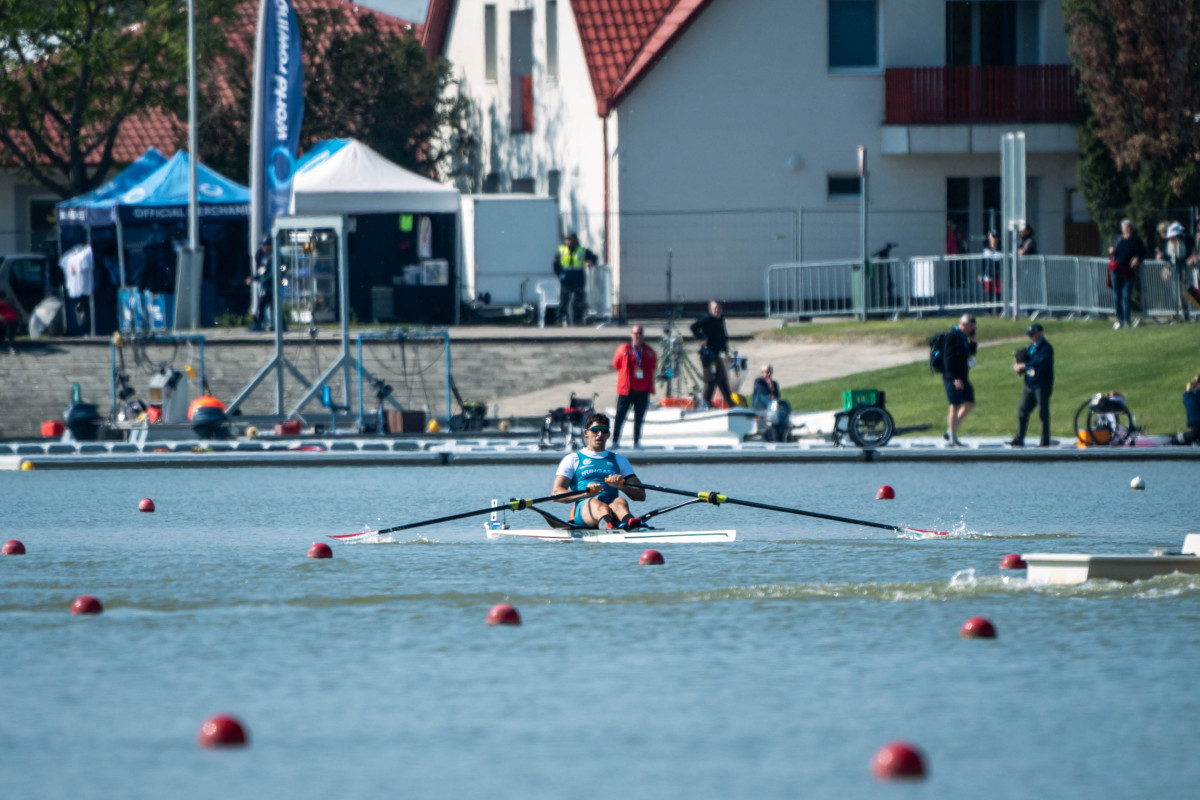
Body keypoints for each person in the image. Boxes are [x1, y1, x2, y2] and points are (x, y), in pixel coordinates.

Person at [552, 412, 646, 529]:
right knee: (597, 505)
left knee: (620, 501)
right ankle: (610, 526)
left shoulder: (619, 459)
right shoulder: (573, 459)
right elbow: (556, 493)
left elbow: (641, 495)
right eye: (595, 430)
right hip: (585, 508)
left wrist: (621, 486)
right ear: (586, 433)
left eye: (604, 430)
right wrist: (585, 493)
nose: (600, 434)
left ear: (608, 434)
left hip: (612, 507)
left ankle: (631, 524)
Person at [1008, 322, 1055, 447]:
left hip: (1042, 385)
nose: (1030, 337)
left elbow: (1040, 362)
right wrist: (1019, 365)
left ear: (1040, 333)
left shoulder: (1046, 348)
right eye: (1029, 334)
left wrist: (1024, 365)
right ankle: (1019, 438)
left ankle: (1045, 440)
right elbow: (1027, 361)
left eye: (1032, 334)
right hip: (1030, 385)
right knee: (1022, 410)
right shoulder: (1031, 348)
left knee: (1043, 413)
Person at [611, 324, 657, 449]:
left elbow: (653, 366)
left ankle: (636, 441)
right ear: (631, 335)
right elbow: (616, 365)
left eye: (640, 333)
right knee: (620, 416)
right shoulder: (623, 349)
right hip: (627, 389)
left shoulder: (648, 351)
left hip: (643, 389)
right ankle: (615, 441)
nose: (638, 336)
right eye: (635, 333)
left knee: (639, 417)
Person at [690, 300, 735, 408]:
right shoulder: (707, 319)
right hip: (708, 356)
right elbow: (693, 327)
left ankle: (731, 404)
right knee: (711, 379)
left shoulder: (720, 320)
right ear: (710, 310)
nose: (717, 310)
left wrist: (727, 352)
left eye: (718, 308)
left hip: (716, 354)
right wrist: (702, 337)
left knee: (722, 380)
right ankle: (707, 401)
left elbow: (723, 338)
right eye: (715, 308)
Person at [941, 313, 977, 447]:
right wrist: (955, 377)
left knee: (969, 403)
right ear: (964, 324)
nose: (972, 330)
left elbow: (969, 354)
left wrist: (973, 342)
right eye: (971, 327)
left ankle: (950, 430)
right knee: (954, 406)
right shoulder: (952, 336)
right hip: (952, 377)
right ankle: (952, 438)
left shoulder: (963, 337)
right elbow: (948, 359)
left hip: (963, 377)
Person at [552, 232, 597, 326]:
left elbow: (593, 257)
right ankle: (559, 320)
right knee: (564, 301)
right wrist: (560, 274)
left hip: (578, 280)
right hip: (566, 280)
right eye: (568, 240)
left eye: (572, 239)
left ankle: (578, 320)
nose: (570, 241)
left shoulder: (582, 250)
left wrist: (591, 261)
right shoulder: (562, 251)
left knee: (578, 302)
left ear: (576, 240)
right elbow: (556, 265)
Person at [1107, 219, 1144, 330]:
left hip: (1128, 272)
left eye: (1130, 227)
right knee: (1117, 296)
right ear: (1122, 229)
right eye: (1126, 227)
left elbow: (1142, 252)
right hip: (1116, 270)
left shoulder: (1136, 240)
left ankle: (1126, 319)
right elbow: (1110, 248)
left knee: (1126, 296)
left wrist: (1137, 259)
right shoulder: (1117, 238)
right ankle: (1120, 319)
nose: (1129, 229)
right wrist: (1111, 250)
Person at [247, 235, 281, 332]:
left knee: (263, 305)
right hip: (267, 285)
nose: (263, 247)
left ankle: (260, 325)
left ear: (270, 245)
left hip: (270, 286)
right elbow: (262, 271)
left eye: (265, 245)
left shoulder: (273, 257)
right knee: (268, 306)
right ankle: (275, 325)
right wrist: (254, 278)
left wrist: (262, 280)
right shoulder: (266, 257)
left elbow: (270, 273)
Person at [1160, 221, 1192, 321]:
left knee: (1184, 291)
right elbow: (1166, 255)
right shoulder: (1167, 243)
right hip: (1172, 270)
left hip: (1183, 269)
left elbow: (1186, 254)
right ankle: (1176, 313)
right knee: (1174, 291)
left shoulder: (1184, 242)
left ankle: (1185, 312)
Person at [1169, 375, 1200, 446]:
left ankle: (1179, 439)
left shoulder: (1191, 396)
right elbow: (1191, 406)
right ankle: (1176, 438)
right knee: (1194, 435)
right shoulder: (1191, 396)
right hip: (1197, 423)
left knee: (1195, 436)